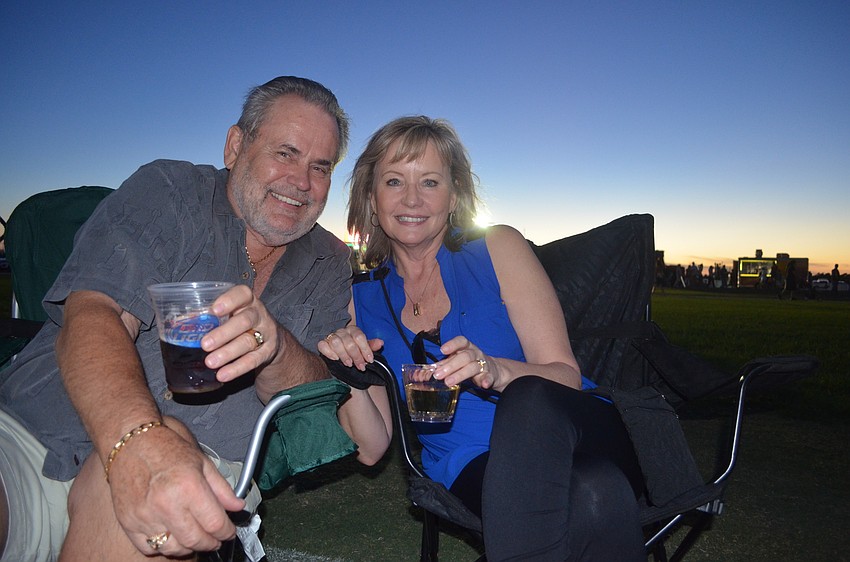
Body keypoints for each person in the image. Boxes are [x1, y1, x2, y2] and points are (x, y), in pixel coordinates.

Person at [0, 76, 366, 561]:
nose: (301, 182)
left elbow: (315, 397)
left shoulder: (328, 260)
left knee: (164, 504)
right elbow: (95, 312)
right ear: (236, 145)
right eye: (286, 153)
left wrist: (276, 347)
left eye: (320, 167)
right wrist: (138, 440)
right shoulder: (170, 191)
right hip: (35, 433)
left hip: (204, 466)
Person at [319, 116, 646, 561]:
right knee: (595, 493)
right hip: (471, 461)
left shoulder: (498, 248)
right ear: (371, 199)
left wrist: (495, 369)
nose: (412, 198)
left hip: (575, 428)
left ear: (454, 197)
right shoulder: (361, 298)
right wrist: (347, 372)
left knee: (528, 399)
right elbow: (372, 449)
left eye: (430, 182)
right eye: (394, 181)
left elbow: (565, 376)